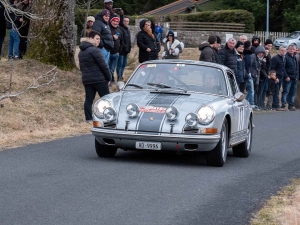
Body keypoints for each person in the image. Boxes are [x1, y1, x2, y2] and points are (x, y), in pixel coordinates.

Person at [78, 30, 111, 122]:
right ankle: (108, 117)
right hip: (99, 79)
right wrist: (108, 78)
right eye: (97, 39)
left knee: (88, 99)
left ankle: (88, 119)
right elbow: (104, 65)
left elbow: (81, 67)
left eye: (99, 39)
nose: (98, 41)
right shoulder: (95, 50)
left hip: (87, 79)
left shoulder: (81, 52)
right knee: (106, 99)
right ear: (90, 38)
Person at [281, 44, 299, 111]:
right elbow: (283, 68)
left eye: (293, 49)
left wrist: (297, 76)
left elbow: (297, 68)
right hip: (288, 78)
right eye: (290, 49)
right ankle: (283, 105)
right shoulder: (285, 57)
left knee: (293, 92)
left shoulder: (295, 57)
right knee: (286, 92)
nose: (292, 50)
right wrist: (286, 76)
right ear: (288, 50)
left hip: (294, 78)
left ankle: (291, 105)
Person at [270, 46, 287, 111]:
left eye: (285, 50)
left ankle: (277, 105)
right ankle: (275, 105)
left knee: (278, 91)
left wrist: (286, 76)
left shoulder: (284, 58)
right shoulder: (275, 58)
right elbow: (272, 69)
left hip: (281, 77)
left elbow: (283, 68)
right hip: (276, 78)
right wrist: (275, 78)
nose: (283, 52)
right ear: (279, 50)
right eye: (282, 50)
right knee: (276, 92)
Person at [108, 16, 123, 84]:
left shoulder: (119, 30)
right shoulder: (108, 29)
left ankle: (110, 81)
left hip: (116, 53)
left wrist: (119, 50)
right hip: (108, 52)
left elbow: (121, 41)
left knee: (112, 69)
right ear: (111, 21)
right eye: (114, 21)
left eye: (117, 21)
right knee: (107, 69)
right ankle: (109, 82)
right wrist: (112, 37)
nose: (115, 23)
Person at [116, 16, 131, 81]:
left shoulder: (127, 29)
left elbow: (128, 40)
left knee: (124, 64)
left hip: (126, 50)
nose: (126, 22)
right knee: (120, 64)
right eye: (125, 21)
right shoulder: (119, 28)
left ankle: (121, 76)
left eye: (127, 21)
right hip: (121, 50)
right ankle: (119, 77)